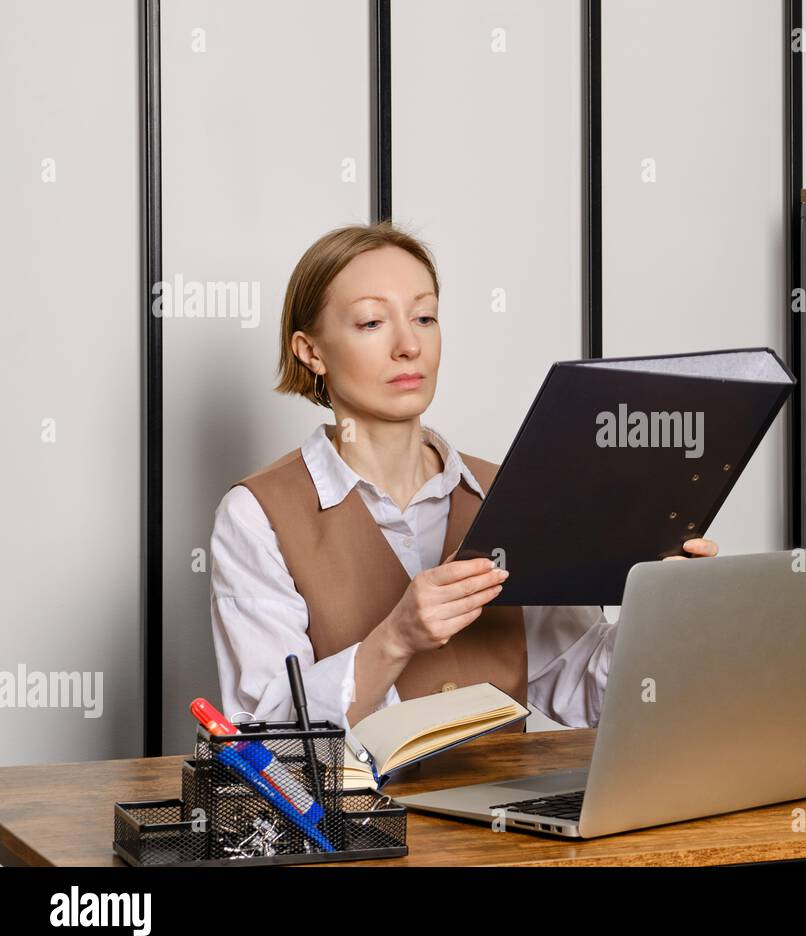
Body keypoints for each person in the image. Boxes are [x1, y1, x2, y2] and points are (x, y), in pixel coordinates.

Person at [209, 222, 718, 741]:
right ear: (310, 351)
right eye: (370, 322)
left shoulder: (514, 492)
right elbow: (266, 736)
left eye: (424, 317)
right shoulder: (258, 514)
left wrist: (661, 609)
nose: (409, 345)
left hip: (507, 815)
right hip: (360, 822)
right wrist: (397, 637)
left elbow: (582, 689)